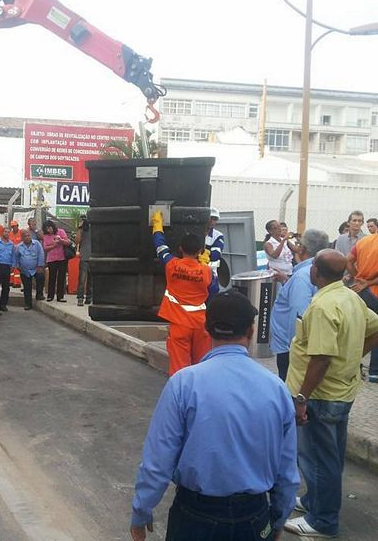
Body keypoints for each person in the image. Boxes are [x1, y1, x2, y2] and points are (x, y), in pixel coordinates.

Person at [130, 291, 299, 541]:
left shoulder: (184, 383)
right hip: (253, 516)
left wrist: (141, 511)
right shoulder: (276, 388)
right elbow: (287, 470)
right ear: (251, 331)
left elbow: (158, 460)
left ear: (206, 330)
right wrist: (278, 520)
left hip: (195, 516)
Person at [284, 250, 378, 538]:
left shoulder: (324, 306)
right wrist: (353, 355)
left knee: (317, 458)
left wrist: (302, 398)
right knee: (330, 456)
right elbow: (375, 326)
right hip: (342, 391)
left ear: (316, 271)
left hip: (321, 396)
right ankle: (315, 501)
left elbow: (321, 357)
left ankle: (322, 521)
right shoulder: (351, 296)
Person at [152, 211, 217, 375]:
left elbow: (160, 247)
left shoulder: (171, 265)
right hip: (201, 325)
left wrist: (157, 225)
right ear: (201, 250)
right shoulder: (207, 272)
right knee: (201, 368)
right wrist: (205, 266)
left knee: (179, 369)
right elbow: (214, 294)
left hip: (179, 325)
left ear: (180, 249)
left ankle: (181, 398)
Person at [269, 229, 330, 381]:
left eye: (297, 244)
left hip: (291, 349)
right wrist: (286, 281)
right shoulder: (314, 271)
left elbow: (298, 317)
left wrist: (295, 352)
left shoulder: (302, 277)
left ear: (302, 249)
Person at [346, 229, 378, 382]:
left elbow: (348, 260)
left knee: (358, 330)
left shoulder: (363, 241)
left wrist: (357, 276)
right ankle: (375, 371)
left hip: (360, 292)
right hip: (375, 291)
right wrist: (369, 282)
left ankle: (352, 366)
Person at [14, 229, 45, 309]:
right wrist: (17, 266)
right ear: (22, 238)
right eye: (25, 236)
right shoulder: (19, 246)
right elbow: (16, 257)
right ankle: (28, 304)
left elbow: (41, 254)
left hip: (36, 269)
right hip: (25, 270)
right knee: (27, 288)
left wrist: (40, 266)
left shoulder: (37, 244)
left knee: (41, 278)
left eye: (29, 236)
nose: (27, 237)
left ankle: (39, 295)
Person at [42, 220, 71, 302]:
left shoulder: (61, 232)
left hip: (62, 258)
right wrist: (54, 245)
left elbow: (68, 242)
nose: (49, 230)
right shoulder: (46, 236)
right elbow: (45, 248)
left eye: (49, 228)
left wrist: (61, 240)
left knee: (61, 277)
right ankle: (50, 296)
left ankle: (60, 296)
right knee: (52, 277)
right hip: (51, 259)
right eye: (46, 229)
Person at [74, 215, 93, 307]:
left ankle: (89, 297)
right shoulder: (83, 229)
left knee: (91, 279)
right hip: (85, 256)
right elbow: (77, 241)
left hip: (94, 256)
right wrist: (79, 228)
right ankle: (80, 298)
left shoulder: (96, 228)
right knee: (82, 278)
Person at [204, 207, 225, 278]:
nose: (212, 221)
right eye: (210, 218)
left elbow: (215, 255)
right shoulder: (196, 232)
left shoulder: (218, 236)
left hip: (211, 273)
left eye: (215, 219)